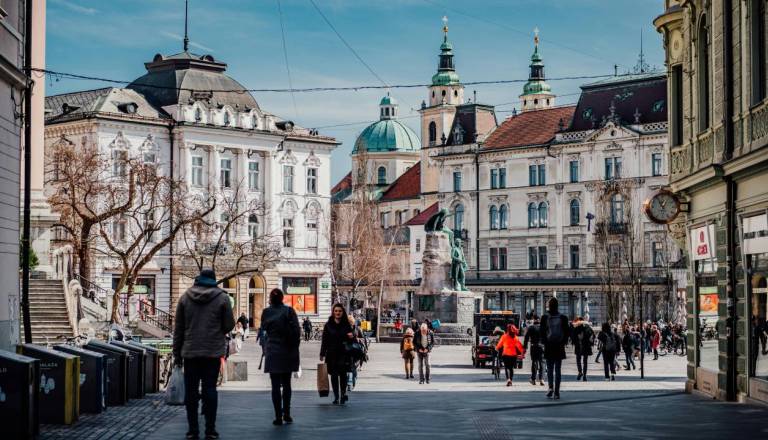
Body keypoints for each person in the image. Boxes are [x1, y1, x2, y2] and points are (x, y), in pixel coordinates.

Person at [173, 269, 235, 440]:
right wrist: (217, 328)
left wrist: (177, 354)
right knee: (210, 389)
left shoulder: (185, 298)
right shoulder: (222, 298)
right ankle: (210, 430)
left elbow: (178, 329)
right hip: (212, 352)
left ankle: (192, 430)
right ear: (213, 279)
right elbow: (229, 324)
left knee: (191, 392)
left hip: (190, 352)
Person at [260, 288, 301, 426]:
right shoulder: (289, 311)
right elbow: (297, 331)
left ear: (271, 299)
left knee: (275, 386)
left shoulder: (266, 312)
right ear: (282, 298)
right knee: (287, 384)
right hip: (287, 351)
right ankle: (287, 413)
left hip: (273, 351)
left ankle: (278, 416)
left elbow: (264, 328)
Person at [320, 304, 355, 405]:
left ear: (342, 312)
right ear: (333, 312)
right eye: (336, 311)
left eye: (340, 311)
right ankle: (336, 396)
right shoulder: (328, 325)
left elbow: (352, 340)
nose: (338, 313)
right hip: (331, 354)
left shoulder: (346, 325)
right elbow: (324, 340)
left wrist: (351, 337)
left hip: (344, 353)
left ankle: (343, 394)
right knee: (334, 375)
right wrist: (322, 353)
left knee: (343, 375)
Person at [540, 298, 570, 399]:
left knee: (549, 368)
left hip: (549, 346)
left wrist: (544, 342)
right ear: (557, 306)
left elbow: (542, 332)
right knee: (558, 369)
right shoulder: (563, 318)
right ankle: (557, 392)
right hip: (559, 346)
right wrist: (563, 342)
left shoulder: (544, 317)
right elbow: (567, 332)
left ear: (549, 306)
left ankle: (550, 387)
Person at [523, 316, 544, 386]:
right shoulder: (543, 327)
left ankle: (533, 379)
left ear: (534, 320)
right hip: (541, 347)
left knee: (534, 362)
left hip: (533, 346)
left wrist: (525, 347)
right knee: (542, 363)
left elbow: (526, 337)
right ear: (539, 320)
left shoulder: (531, 328)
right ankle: (541, 379)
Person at [571, 316, 594, 381]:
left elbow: (573, 337)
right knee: (585, 361)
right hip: (586, 346)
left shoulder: (576, 328)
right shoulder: (588, 327)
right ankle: (584, 375)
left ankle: (580, 371)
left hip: (578, 346)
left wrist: (575, 342)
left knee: (578, 359)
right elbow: (592, 336)